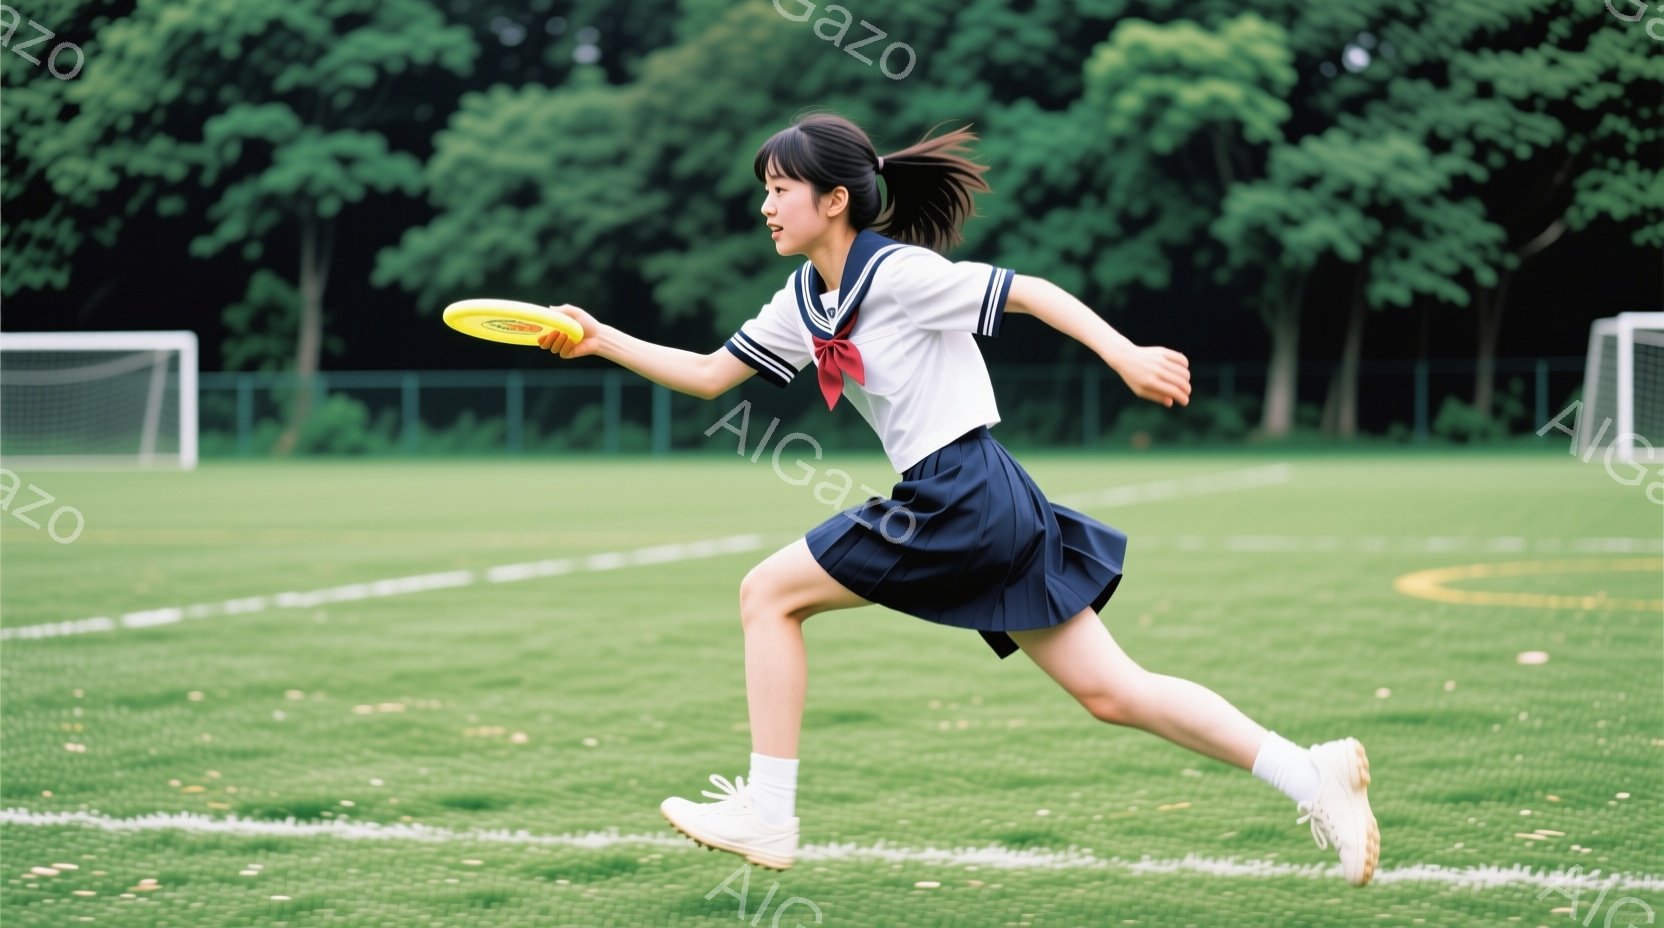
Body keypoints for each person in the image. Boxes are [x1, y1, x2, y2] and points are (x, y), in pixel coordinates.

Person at [537, 112, 1379, 887]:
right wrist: (601, 337)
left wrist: (1124, 354)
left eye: (780, 189)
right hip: (987, 496)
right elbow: (710, 375)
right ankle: (1313, 773)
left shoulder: (901, 274)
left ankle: (769, 810)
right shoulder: (804, 300)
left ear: (833, 201)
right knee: (1112, 692)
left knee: (767, 592)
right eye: (765, 188)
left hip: (961, 492)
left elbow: (1029, 291)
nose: (766, 205)